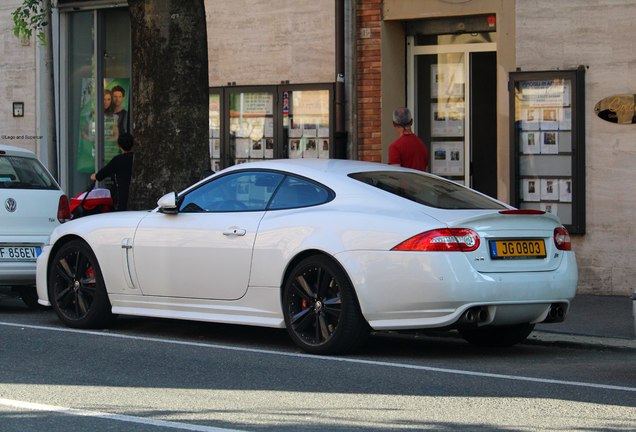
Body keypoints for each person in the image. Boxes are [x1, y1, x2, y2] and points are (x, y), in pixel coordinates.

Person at [90, 132, 134, 211]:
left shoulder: (118, 160)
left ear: (119, 146)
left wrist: (95, 176)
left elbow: (103, 173)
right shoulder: (137, 159)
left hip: (123, 196)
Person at [388, 107, 429, 171]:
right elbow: (425, 171)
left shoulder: (395, 147)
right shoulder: (422, 145)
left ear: (394, 123)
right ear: (411, 121)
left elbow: (395, 175)